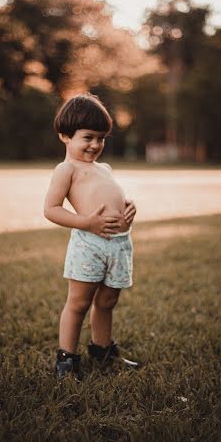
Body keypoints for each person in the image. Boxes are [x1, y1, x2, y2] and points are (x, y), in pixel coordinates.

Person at [44, 93, 139, 379]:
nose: (96, 145)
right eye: (88, 137)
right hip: (90, 245)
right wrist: (86, 222)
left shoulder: (104, 168)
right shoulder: (67, 169)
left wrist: (128, 206)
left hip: (119, 245)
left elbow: (109, 196)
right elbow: (51, 209)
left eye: (101, 138)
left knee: (107, 301)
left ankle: (102, 349)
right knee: (79, 302)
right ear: (65, 136)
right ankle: (67, 360)